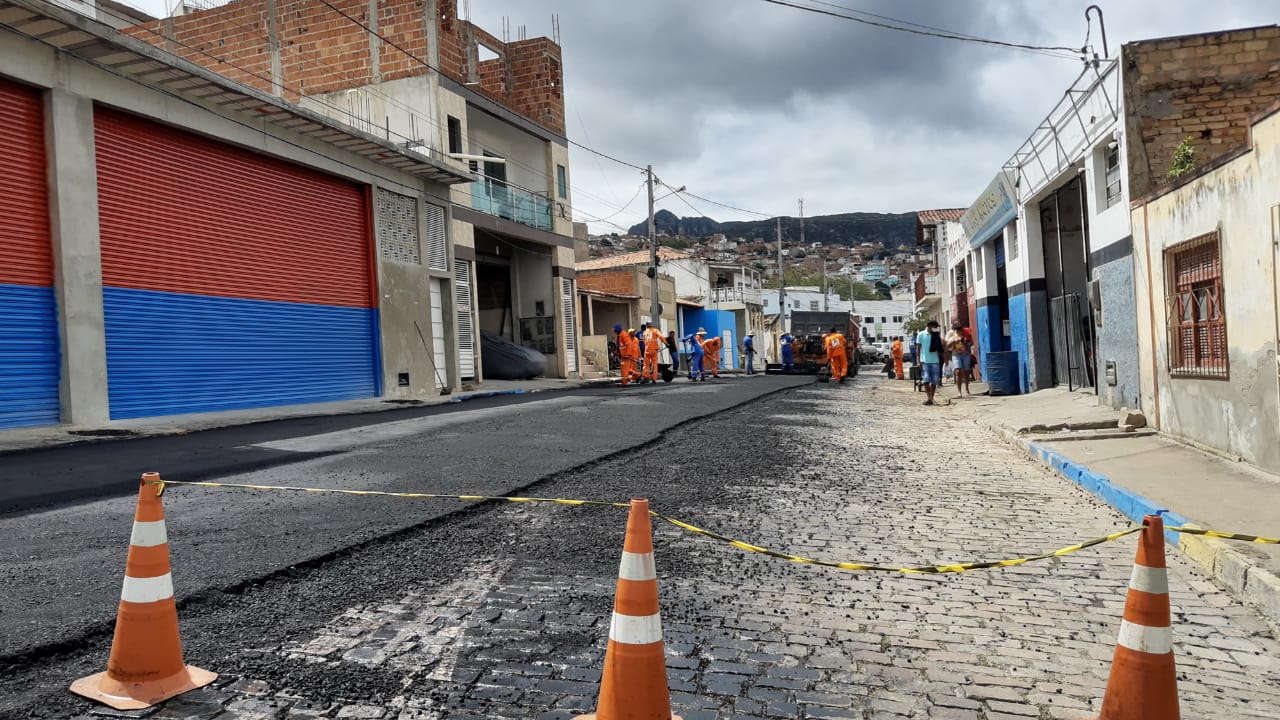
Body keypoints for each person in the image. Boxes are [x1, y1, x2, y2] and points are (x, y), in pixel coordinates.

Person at [916, 320, 943, 405]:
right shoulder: (921, 335)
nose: (935, 328)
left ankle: (932, 398)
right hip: (925, 361)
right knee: (926, 380)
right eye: (934, 326)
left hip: (935, 360)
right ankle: (929, 398)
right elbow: (918, 349)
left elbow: (940, 349)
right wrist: (918, 361)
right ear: (930, 326)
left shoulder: (936, 335)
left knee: (934, 381)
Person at [946, 319, 975, 397]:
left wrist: (967, 342)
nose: (958, 325)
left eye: (959, 324)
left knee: (966, 372)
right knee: (958, 372)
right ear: (953, 325)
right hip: (956, 354)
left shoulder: (966, 332)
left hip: (966, 354)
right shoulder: (951, 334)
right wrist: (954, 341)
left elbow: (972, 342)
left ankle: (967, 389)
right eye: (956, 324)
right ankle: (959, 392)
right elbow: (947, 346)